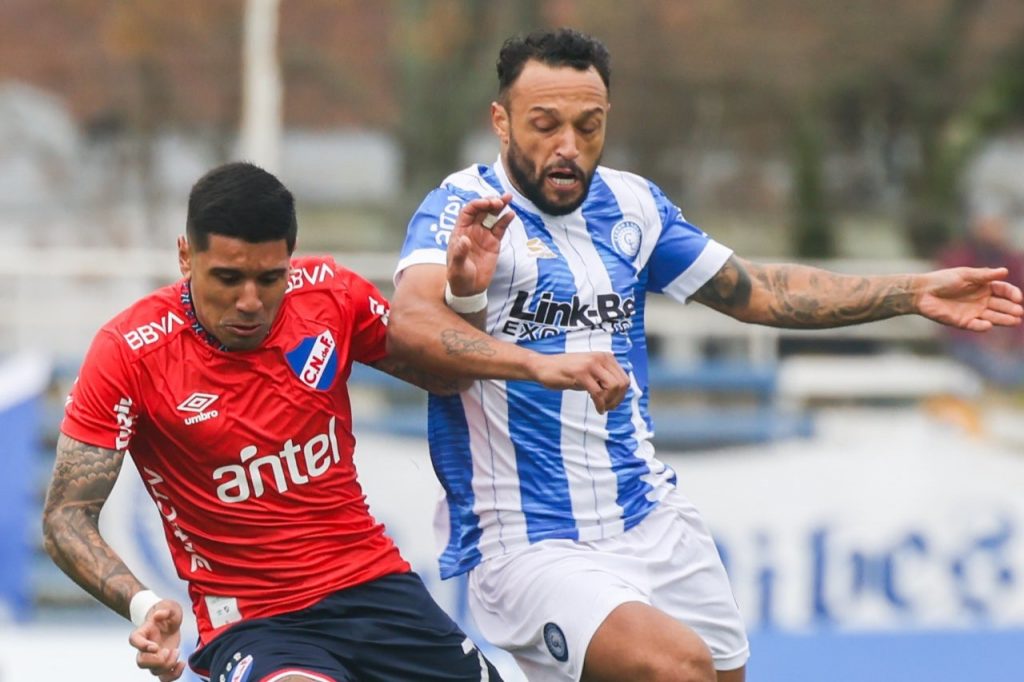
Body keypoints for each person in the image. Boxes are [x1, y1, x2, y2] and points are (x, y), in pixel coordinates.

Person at [386, 28, 1024, 682]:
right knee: (676, 667)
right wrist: (538, 364)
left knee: (717, 674)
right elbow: (409, 324)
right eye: (544, 125)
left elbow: (761, 291)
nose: (568, 148)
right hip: (529, 540)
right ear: (501, 120)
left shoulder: (632, 205)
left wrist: (912, 291)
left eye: (589, 125)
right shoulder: (466, 210)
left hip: (650, 516)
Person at [41, 162, 502, 682]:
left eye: (269, 278)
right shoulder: (129, 352)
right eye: (228, 278)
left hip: (376, 588)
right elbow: (66, 519)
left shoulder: (330, 294)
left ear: (290, 258)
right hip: (257, 623)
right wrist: (142, 604)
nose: (250, 302)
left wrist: (466, 296)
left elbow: (447, 379)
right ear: (185, 255)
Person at [937, 205, 1024, 387]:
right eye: (987, 225)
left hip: (1010, 341)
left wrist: (1013, 339)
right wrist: (984, 338)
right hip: (970, 340)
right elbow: (951, 311)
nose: (992, 231)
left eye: (997, 225)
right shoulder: (957, 261)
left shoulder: (1014, 263)